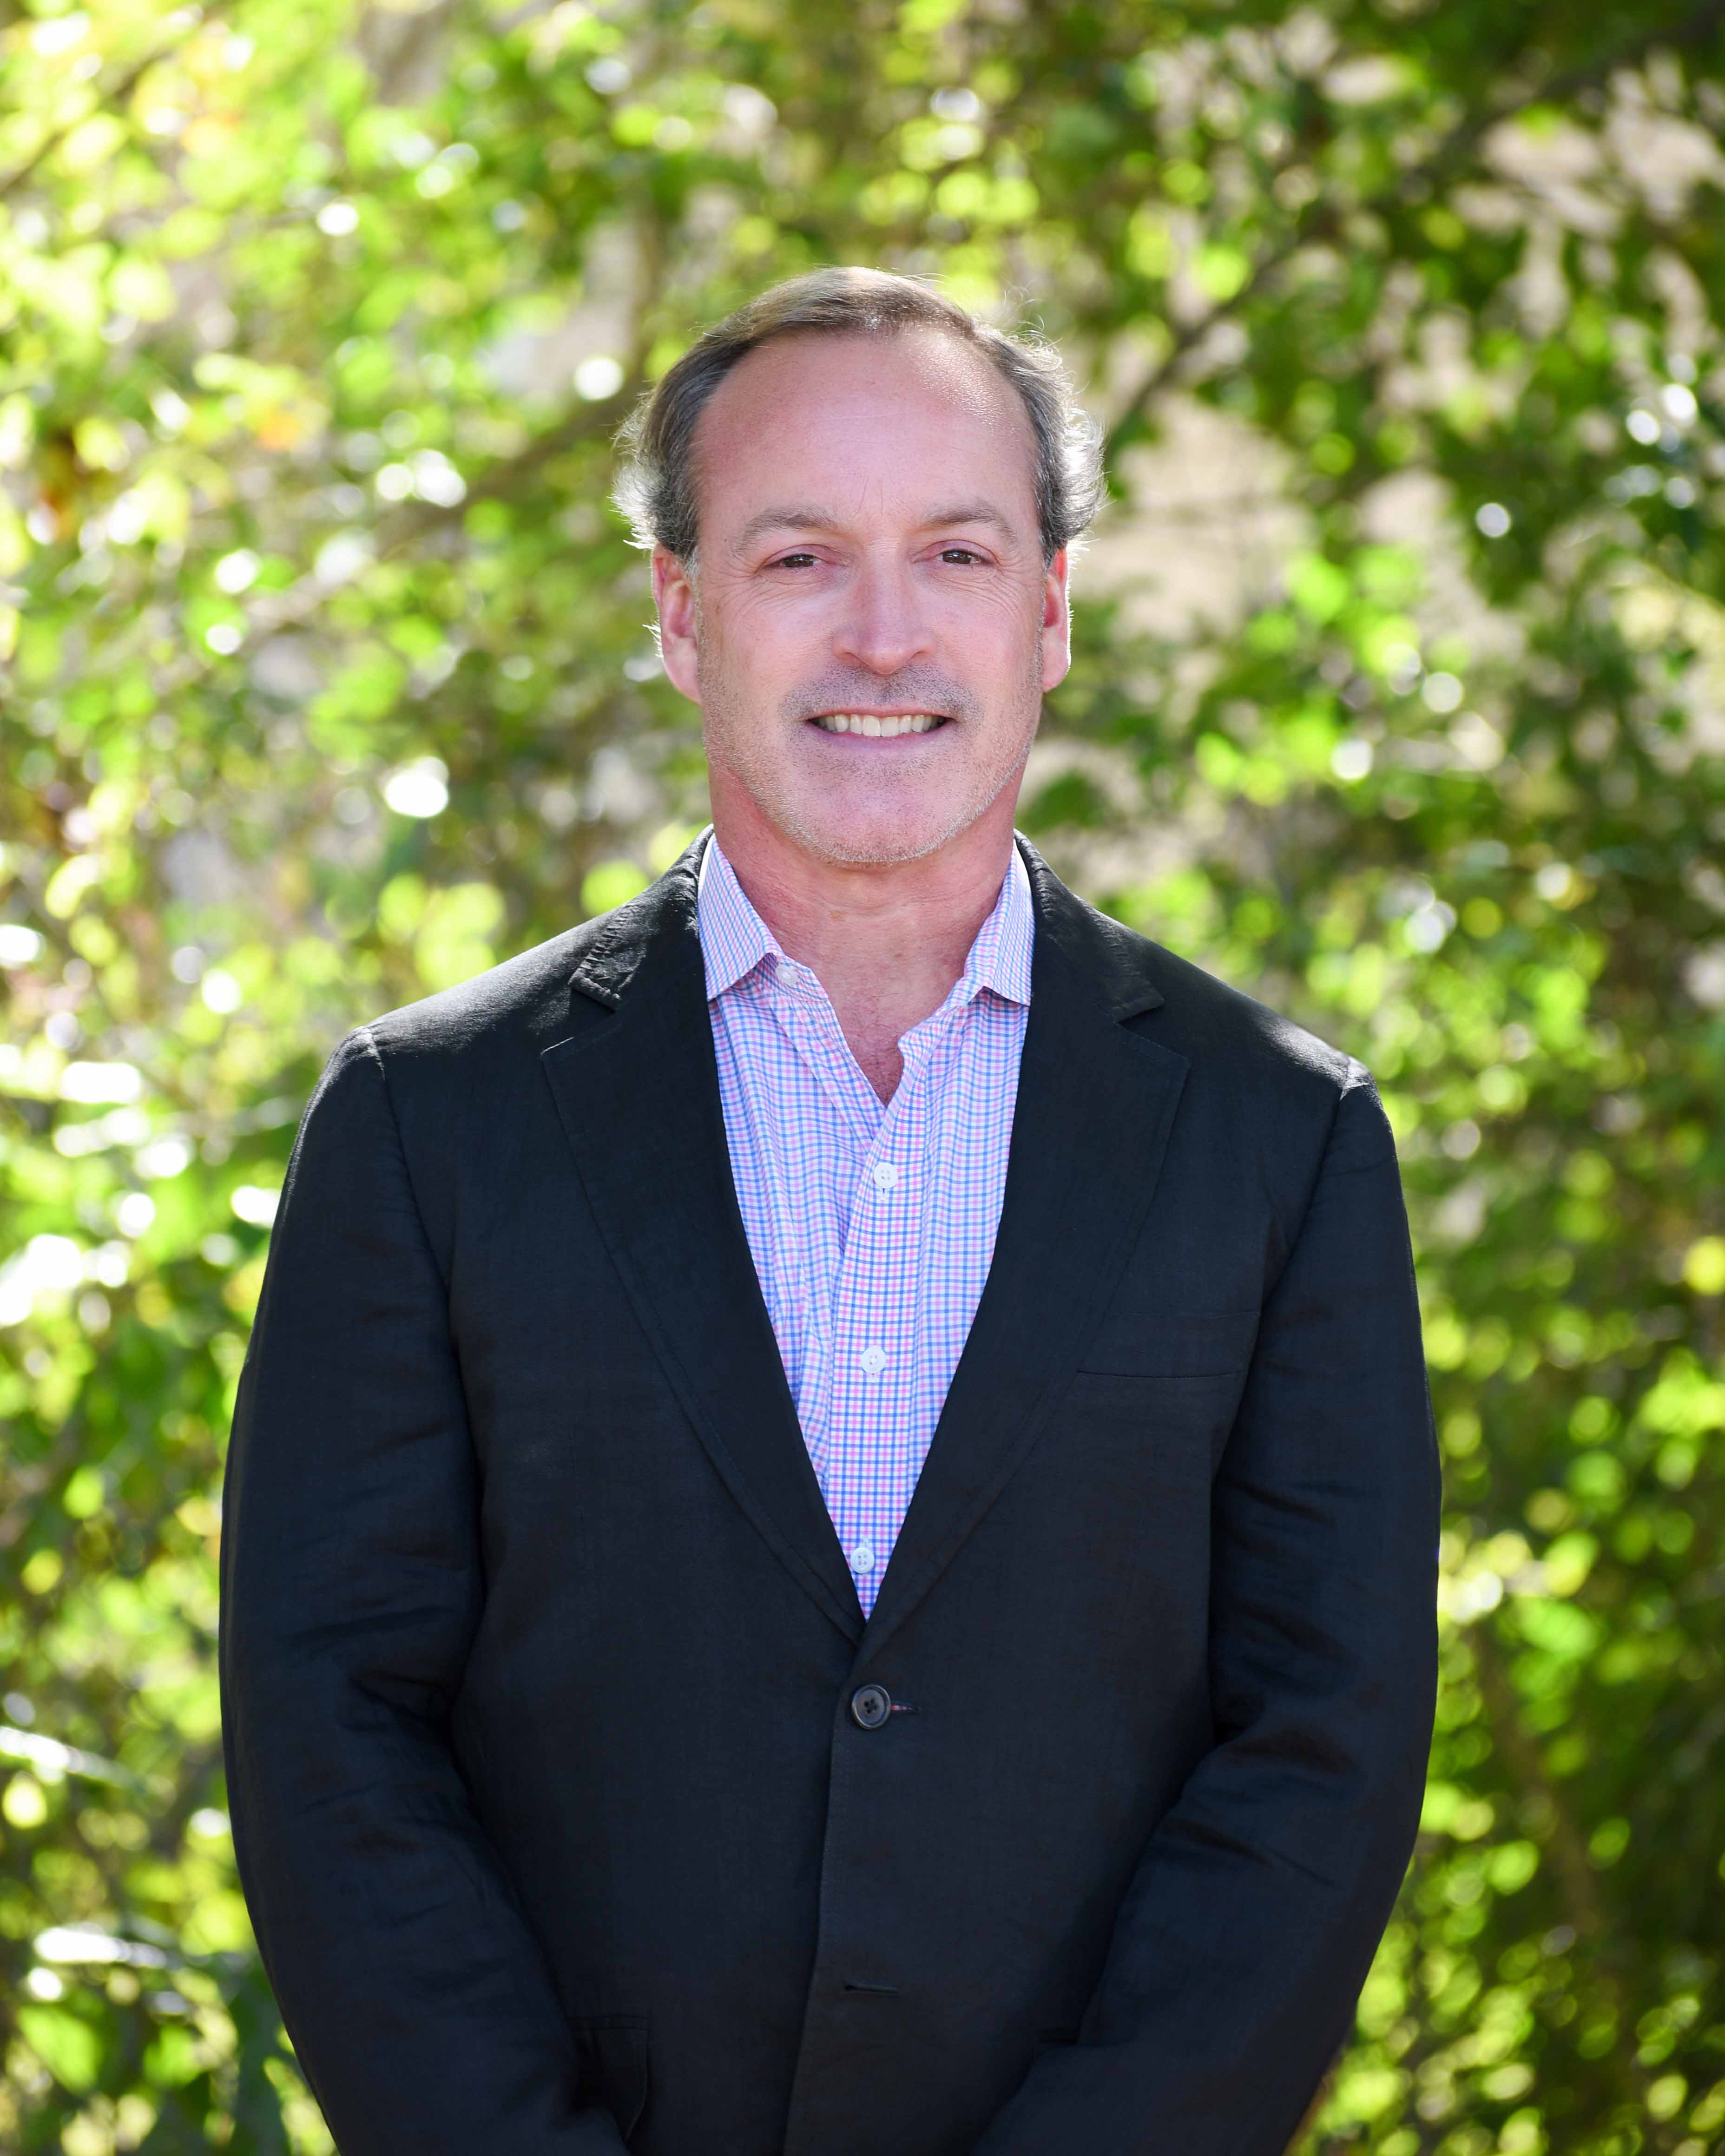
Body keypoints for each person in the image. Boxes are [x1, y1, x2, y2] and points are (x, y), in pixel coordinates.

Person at [219, 267, 1439, 2156]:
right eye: (799, 559)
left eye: (955, 554)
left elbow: (1321, 1753)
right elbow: (331, 1733)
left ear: (1049, 610)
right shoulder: (424, 1125)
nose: (884, 634)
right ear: (679, 611)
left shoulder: (1281, 1140)